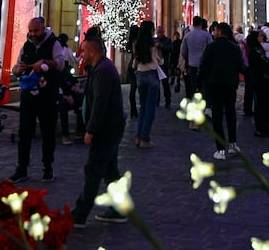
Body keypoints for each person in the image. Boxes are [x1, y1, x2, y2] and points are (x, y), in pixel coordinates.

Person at [70, 37, 127, 228]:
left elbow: (100, 103)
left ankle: (80, 213)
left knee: (93, 170)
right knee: (110, 170)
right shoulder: (102, 68)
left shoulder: (103, 71)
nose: (81, 54)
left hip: (106, 129)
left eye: (84, 51)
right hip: (111, 127)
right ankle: (119, 209)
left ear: (93, 52)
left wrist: (91, 130)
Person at [11, 16, 65, 182]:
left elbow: (60, 64)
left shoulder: (54, 43)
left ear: (43, 29)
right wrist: (18, 69)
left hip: (48, 95)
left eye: (36, 31)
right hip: (28, 95)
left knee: (48, 133)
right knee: (24, 132)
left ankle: (47, 167)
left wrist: (45, 62)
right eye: (31, 31)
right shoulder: (26, 46)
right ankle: (22, 168)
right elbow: (15, 69)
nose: (33, 34)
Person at [199, 22, 243, 158]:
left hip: (215, 85)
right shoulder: (235, 48)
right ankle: (232, 144)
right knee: (230, 113)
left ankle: (220, 149)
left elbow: (204, 66)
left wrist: (200, 84)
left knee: (217, 116)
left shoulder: (211, 47)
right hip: (230, 84)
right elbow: (241, 66)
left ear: (219, 32)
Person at [132, 19, 163, 148]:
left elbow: (136, 59)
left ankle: (138, 137)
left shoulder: (136, 43)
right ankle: (145, 139)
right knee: (150, 108)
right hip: (151, 74)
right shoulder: (154, 44)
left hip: (140, 74)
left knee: (143, 107)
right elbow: (159, 61)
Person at [245, 30, 269, 137]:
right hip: (259, 80)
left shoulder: (259, 49)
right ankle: (260, 128)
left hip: (266, 80)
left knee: (265, 104)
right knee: (261, 104)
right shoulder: (254, 51)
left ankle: (265, 126)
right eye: (259, 36)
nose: (261, 38)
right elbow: (261, 63)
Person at [178, 16, 212, 107]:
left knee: (192, 86)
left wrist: (187, 58)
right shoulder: (206, 35)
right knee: (205, 86)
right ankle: (205, 105)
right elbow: (211, 48)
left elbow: (183, 51)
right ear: (201, 24)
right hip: (204, 65)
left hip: (192, 63)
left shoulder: (188, 35)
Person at [154, 24, 174, 109]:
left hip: (164, 64)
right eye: (158, 32)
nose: (159, 34)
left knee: (165, 84)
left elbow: (170, 49)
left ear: (163, 32)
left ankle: (167, 100)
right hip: (156, 64)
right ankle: (157, 101)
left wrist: (162, 46)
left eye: (160, 32)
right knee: (156, 84)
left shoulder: (167, 40)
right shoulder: (154, 40)